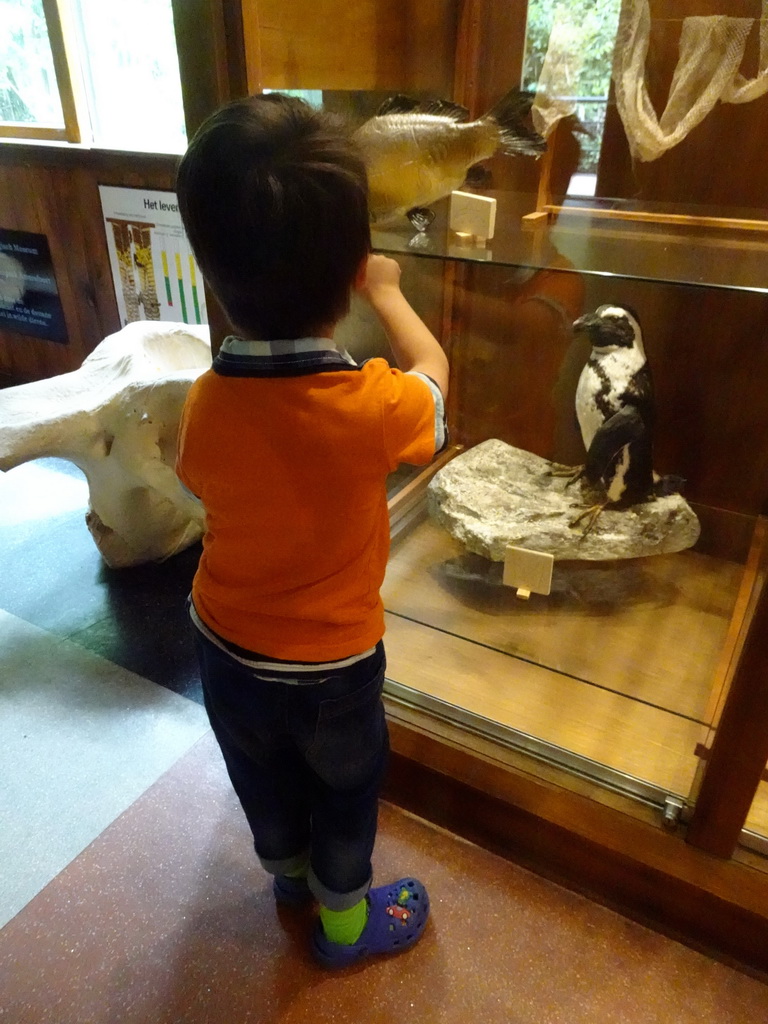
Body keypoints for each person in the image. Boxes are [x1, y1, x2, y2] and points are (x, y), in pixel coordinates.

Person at [174, 92, 449, 969]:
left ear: (214, 274)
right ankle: (342, 925)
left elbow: (201, 485)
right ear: (352, 270)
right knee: (344, 790)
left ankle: (287, 882)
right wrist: (393, 295)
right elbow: (435, 388)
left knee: (261, 779)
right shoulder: (371, 404)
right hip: (332, 667)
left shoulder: (205, 402)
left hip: (222, 646)